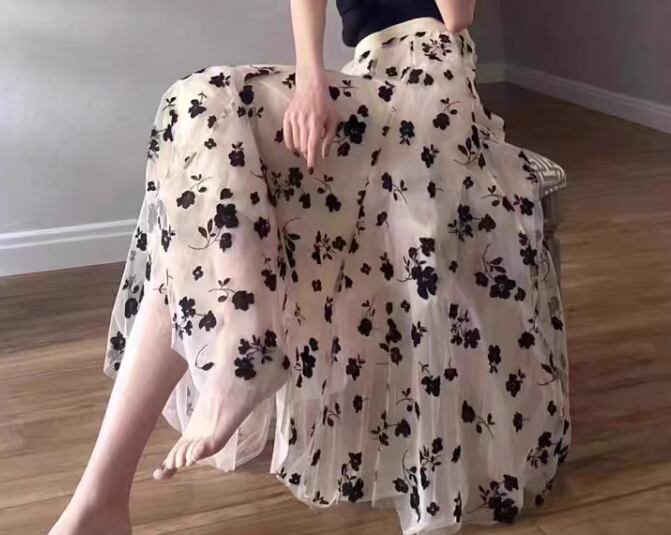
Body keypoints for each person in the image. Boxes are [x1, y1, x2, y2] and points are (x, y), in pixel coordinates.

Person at [50, 1, 571, 534]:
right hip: (364, 82)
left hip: (433, 88)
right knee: (196, 131)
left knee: (203, 100)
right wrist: (308, 81)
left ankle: (244, 351)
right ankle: (100, 500)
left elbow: (456, 15)